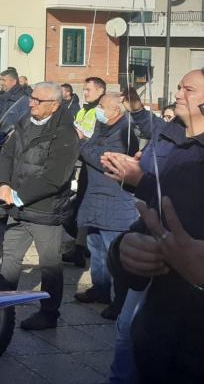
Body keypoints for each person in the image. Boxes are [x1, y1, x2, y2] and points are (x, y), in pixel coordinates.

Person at [102, 71, 204, 383]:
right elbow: (155, 207)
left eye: (188, 89)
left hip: (190, 330)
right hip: (158, 307)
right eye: (178, 86)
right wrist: (125, 249)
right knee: (127, 340)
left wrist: (141, 182)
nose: (178, 93)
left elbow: (178, 205)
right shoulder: (168, 133)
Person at [0, 81, 79, 330]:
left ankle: (49, 314)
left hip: (45, 210)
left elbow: (55, 177)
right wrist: (2, 184)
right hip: (16, 208)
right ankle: (1, 308)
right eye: (31, 98)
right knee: (9, 260)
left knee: (50, 266)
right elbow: (7, 155)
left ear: (54, 105)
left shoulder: (65, 133)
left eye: (37, 100)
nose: (31, 103)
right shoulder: (24, 123)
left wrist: (18, 196)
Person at [73, 93, 138, 320]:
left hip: (115, 204)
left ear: (115, 112)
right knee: (96, 249)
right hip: (94, 200)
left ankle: (120, 302)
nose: (98, 110)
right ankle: (100, 290)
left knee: (116, 257)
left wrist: (81, 142)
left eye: (102, 106)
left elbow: (105, 160)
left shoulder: (125, 132)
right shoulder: (103, 126)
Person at [64, 76, 108, 267]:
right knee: (81, 205)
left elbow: (94, 138)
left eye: (88, 90)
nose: (85, 93)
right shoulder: (84, 109)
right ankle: (80, 247)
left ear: (100, 91)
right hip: (82, 163)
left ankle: (82, 248)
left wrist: (79, 134)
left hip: (94, 165)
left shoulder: (101, 111)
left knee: (86, 207)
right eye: (84, 89)